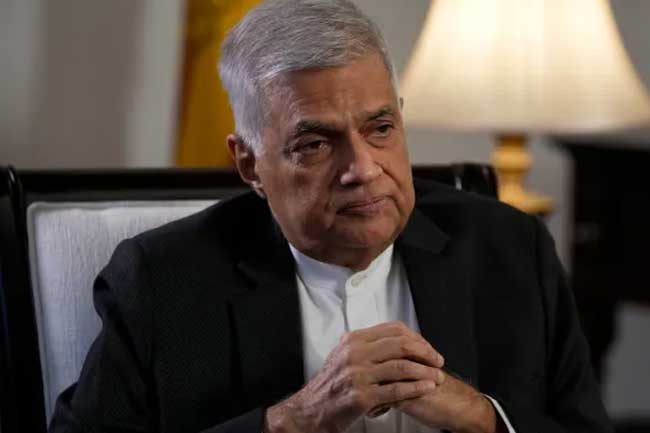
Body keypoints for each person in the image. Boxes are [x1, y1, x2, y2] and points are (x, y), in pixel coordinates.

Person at [50, 1, 612, 432]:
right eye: (316, 144)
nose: (362, 169)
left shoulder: (509, 248)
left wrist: (481, 416)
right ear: (249, 163)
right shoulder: (163, 279)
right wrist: (292, 420)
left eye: (380, 128)